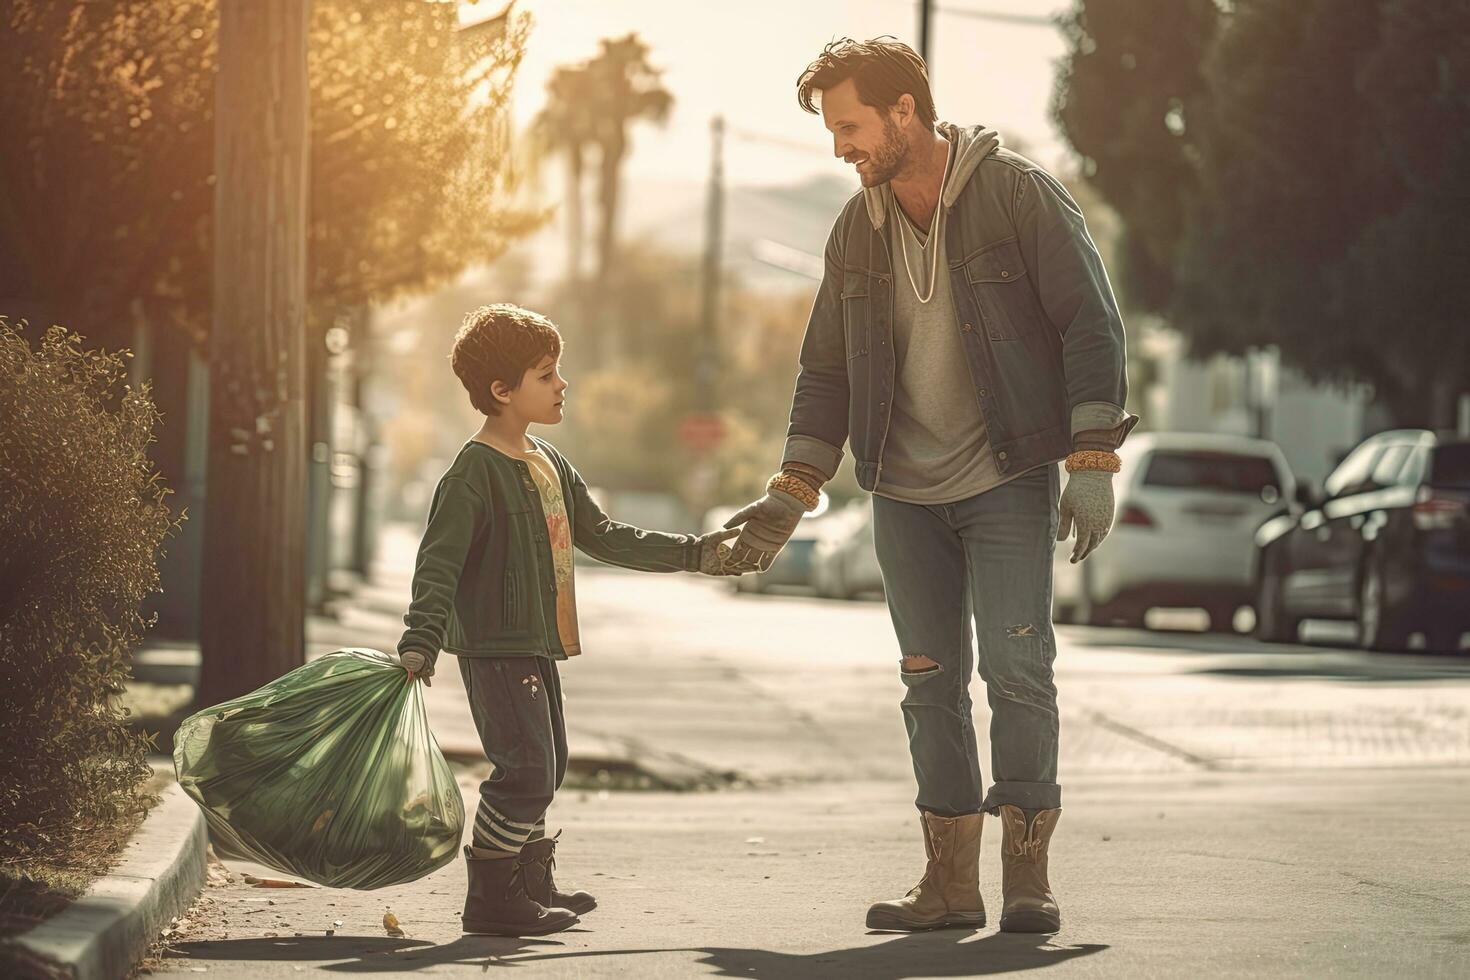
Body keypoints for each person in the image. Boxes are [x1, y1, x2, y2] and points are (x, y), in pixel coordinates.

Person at [721, 38, 1138, 934]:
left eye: (851, 126)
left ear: (904, 111)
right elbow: (824, 374)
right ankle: (950, 884)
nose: (840, 147)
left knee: (1018, 671)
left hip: (1005, 478)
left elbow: (1090, 324)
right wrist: (790, 491)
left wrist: (1092, 459)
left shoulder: (1016, 195)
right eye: (835, 131)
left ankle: (1027, 877)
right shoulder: (855, 231)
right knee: (928, 682)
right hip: (902, 495)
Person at [395, 304, 740, 937]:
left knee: (546, 767)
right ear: (502, 391)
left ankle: (529, 882)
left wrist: (695, 552)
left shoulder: (548, 462)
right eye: (547, 375)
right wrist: (421, 640)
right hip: (496, 649)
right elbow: (436, 564)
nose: (562, 386)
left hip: (537, 645)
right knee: (523, 769)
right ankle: (493, 898)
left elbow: (605, 535)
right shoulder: (473, 474)